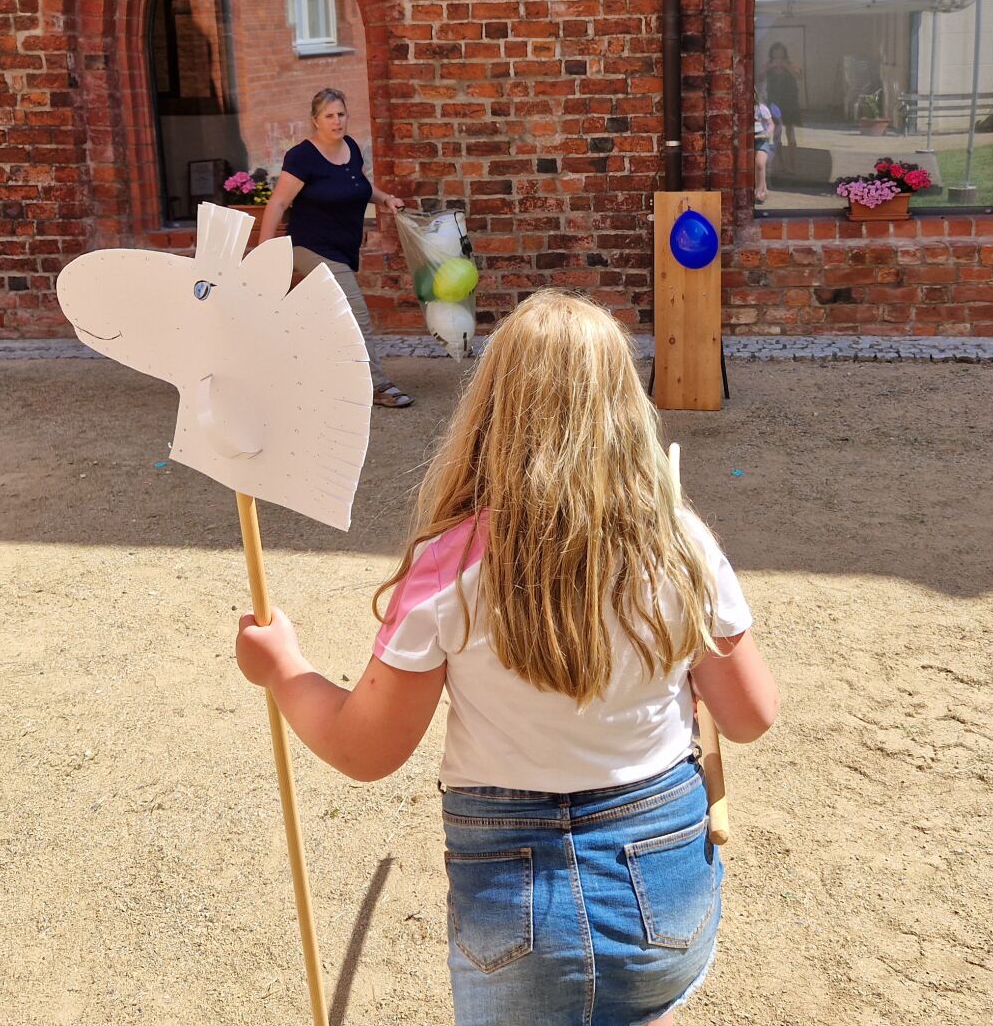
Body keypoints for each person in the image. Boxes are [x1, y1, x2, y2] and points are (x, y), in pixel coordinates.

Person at [236, 290, 780, 1026]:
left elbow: (365, 750)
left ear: (491, 409)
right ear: (625, 406)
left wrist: (284, 670)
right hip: (663, 874)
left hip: (513, 893)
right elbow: (750, 716)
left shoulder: (447, 563)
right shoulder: (682, 544)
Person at [259, 87, 414, 408]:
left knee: (319, 317)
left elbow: (359, 186)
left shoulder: (351, 148)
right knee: (356, 311)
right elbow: (279, 202)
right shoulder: (302, 157)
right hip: (309, 246)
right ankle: (377, 385)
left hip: (342, 248)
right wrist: (264, 249)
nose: (336, 121)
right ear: (315, 120)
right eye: (329, 115)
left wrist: (386, 199)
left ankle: (311, 372)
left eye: (341, 114)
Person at [760, 42, 802, 164]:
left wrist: (786, 66)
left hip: (789, 101)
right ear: (772, 53)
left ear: (784, 53)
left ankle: (792, 163)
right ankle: (780, 163)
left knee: (790, 131)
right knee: (777, 133)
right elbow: (760, 78)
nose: (778, 54)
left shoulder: (790, 63)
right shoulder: (768, 64)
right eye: (775, 52)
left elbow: (799, 77)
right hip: (774, 103)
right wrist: (770, 67)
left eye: (780, 51)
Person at [754, 89, 775, 204]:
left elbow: (771, 124)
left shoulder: (761, 108)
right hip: (747, 138)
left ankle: (758, 192)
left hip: (761, 139)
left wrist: (767, 133)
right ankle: (763, 188)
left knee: (760, 164)